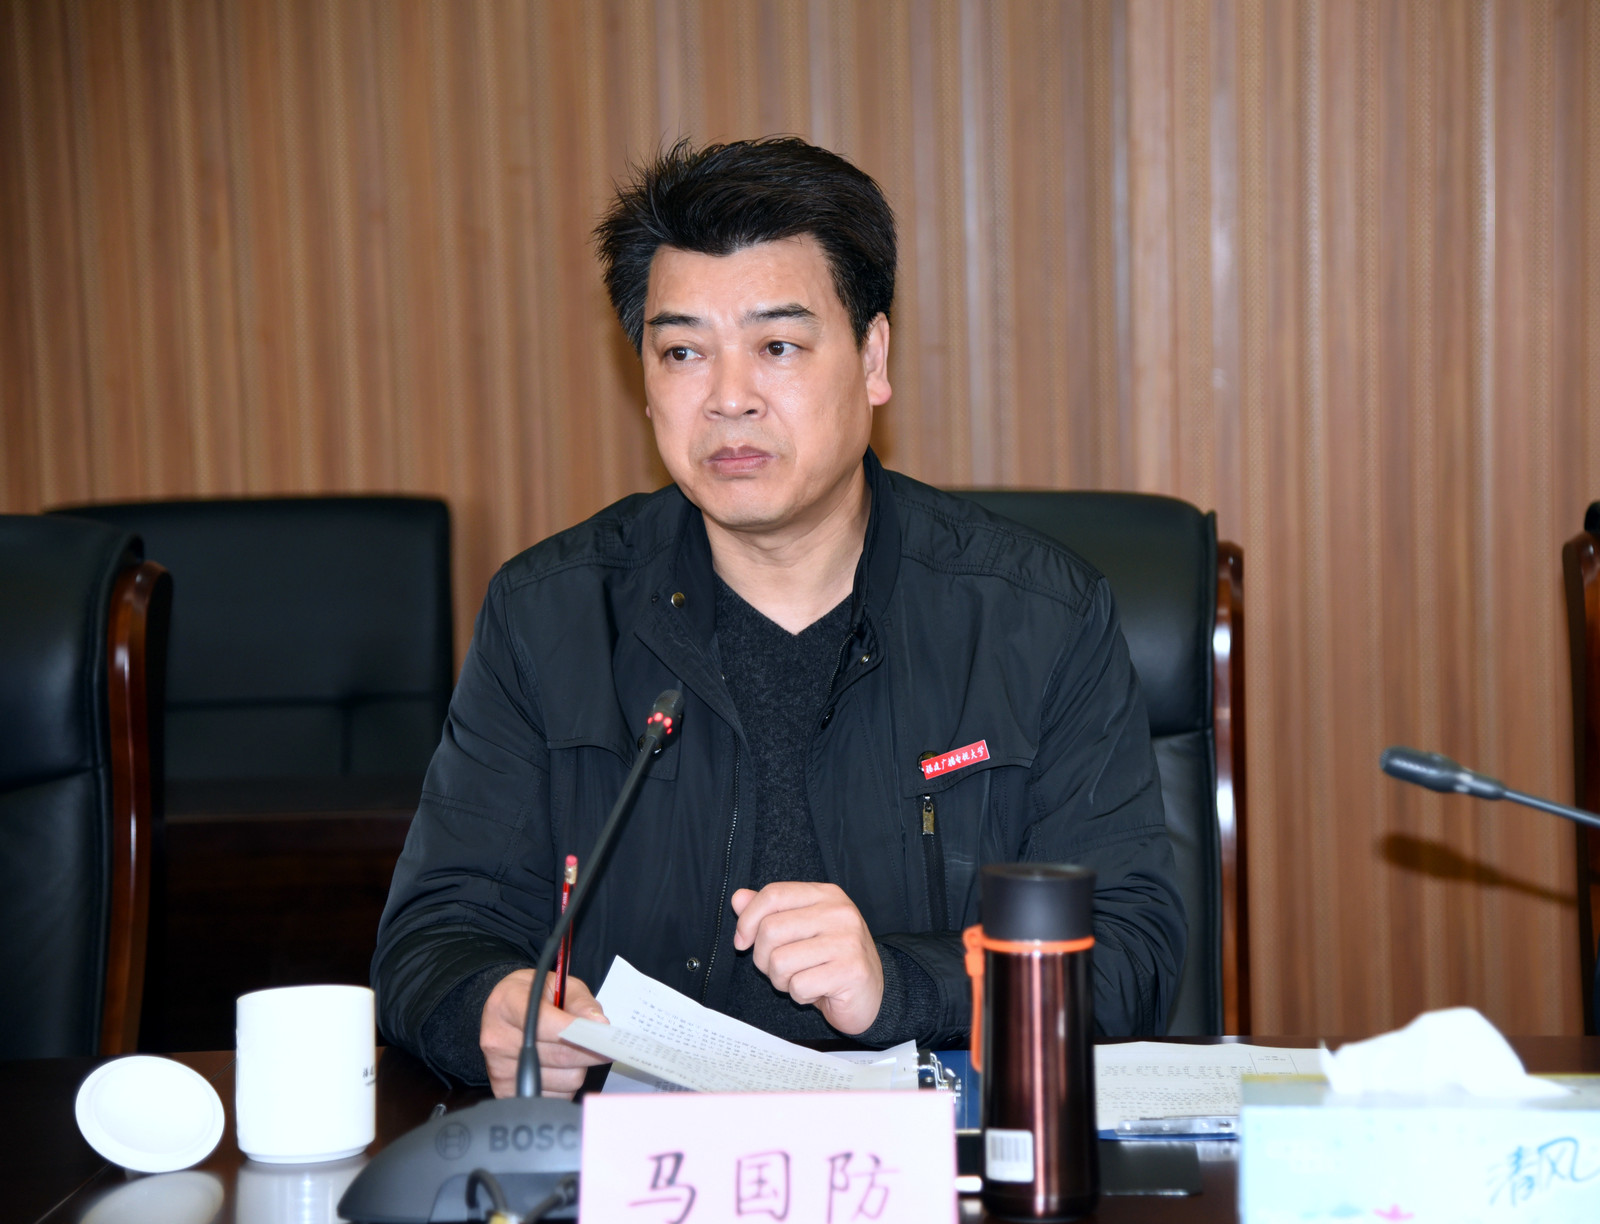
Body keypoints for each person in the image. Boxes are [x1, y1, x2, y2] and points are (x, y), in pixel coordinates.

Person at [373, 137, 1184, 1097]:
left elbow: (1130, 955)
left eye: (778, 347)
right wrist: (487, 1005)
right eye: (683, 352)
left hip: (938, 1155)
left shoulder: (1036, 618)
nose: (728, 399)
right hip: (646, 1160)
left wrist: (901, 982)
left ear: (872, 358)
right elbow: (432, 936)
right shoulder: (549, 615)